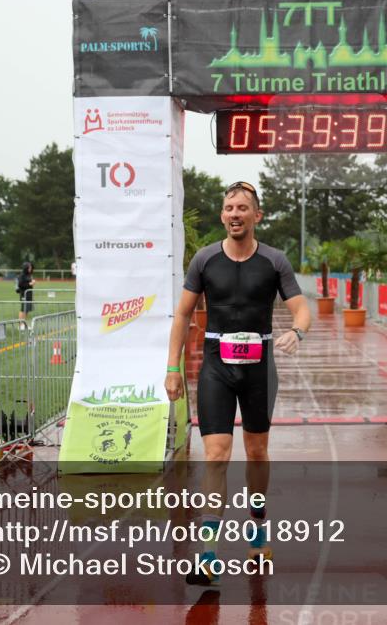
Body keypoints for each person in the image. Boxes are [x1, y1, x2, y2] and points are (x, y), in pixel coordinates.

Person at [164, 181, 311, 588]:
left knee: (257, 450)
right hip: (216, 365)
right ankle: (208, 555)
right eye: (229, 207)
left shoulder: (275, 261)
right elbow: (182, 315)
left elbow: (301, 310)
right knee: (215, 453)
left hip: (260, 368)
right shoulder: (205, 259)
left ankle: (258, 530)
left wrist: (296, 333)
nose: (234, 213)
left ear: (256, 215)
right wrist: (172, 367)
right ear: (222, 215)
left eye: (242, 207)